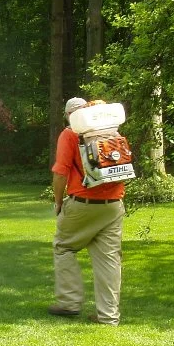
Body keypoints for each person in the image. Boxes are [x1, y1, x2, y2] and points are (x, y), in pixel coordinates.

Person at [47, 97, 126, 326]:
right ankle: (108, 316)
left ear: (69, 115)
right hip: (114, 205)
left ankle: (69, 303)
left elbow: (61, 172)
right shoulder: (111, 130)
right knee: (109, 259)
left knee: (64, 247)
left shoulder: (70, 133)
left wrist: (59, 202)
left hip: (83, 203)